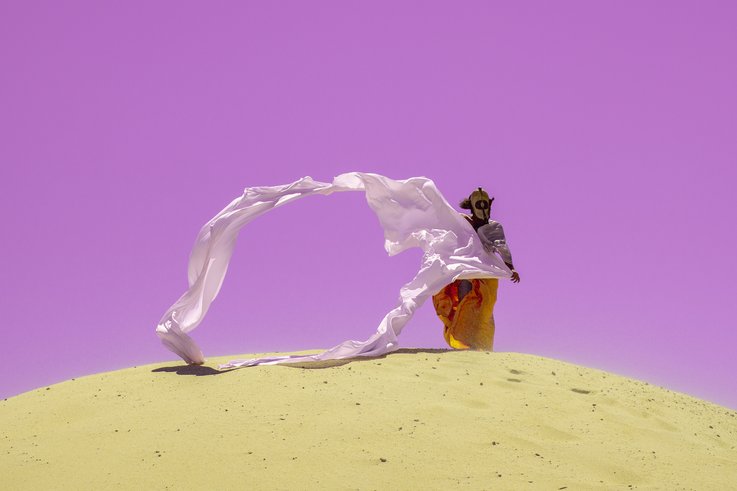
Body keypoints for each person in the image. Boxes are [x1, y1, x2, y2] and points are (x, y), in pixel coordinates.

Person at [431, 187, 520, 351]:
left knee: (483, 310)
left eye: (485, 205)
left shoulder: (494, 227)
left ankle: (480, 347)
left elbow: (502, 247)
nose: (483, 209)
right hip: (465, 273)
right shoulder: (463, 221)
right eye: (479, 205)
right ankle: (466, 347)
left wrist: (511, 268)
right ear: (471, 206)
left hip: (486, 276)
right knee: (466, 304)